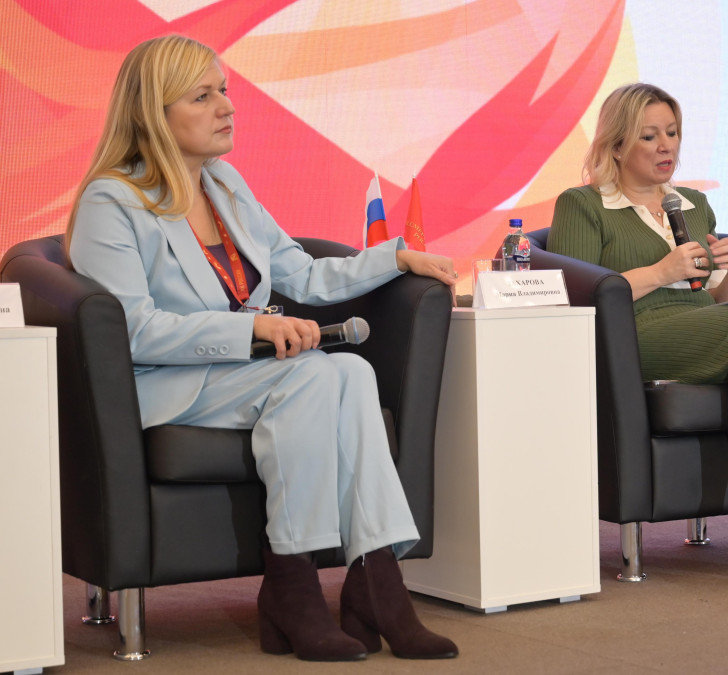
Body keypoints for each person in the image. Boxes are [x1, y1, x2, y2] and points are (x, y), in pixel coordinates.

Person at [67, 35, 459, 661]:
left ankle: (373, 579)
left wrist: (396, 259)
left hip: (245, 373)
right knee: (313, 376)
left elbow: (301, 274)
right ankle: (294, 586)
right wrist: (248, 330)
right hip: (166, 380)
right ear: (154, 113)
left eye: (224, 90)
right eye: (203, 96)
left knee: (351, 372)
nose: (226, 106)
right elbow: (131, 329)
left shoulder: (224, 183)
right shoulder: (112, 201)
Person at [548, 83, 728, 586]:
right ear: (616, 146)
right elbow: (576, 296)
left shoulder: (694, 204)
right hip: (636, 335)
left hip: (703, 326)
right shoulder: (584, 204)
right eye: (649, 136)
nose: (666, 146)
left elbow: (721, 304)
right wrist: (660, 272)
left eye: (672, 133)